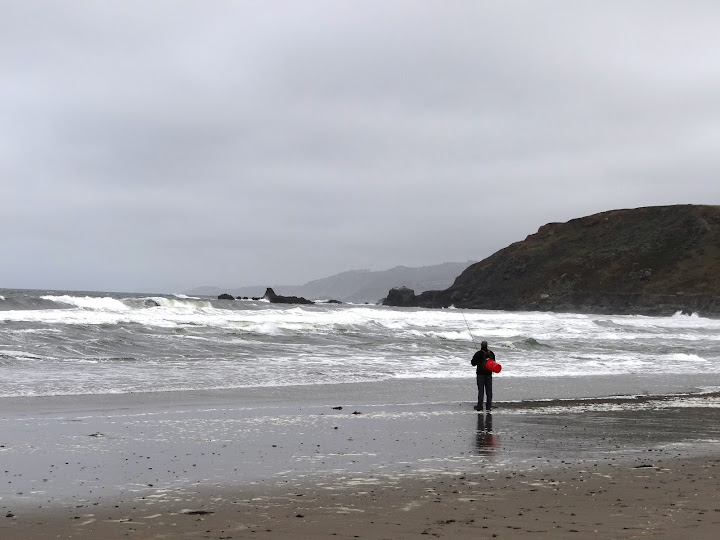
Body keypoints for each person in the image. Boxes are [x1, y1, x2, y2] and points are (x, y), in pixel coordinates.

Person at [471, 340, 495, 412]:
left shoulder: (478, 353)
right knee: (489, 390)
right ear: (487, 345)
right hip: (488, 374)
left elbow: (473, 363)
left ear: (481, 345)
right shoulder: (491, 353)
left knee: (481, 390)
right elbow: (494, 363)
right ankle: (488, 406)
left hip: (480, 374)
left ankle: (480, 406)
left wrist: (478, 361)